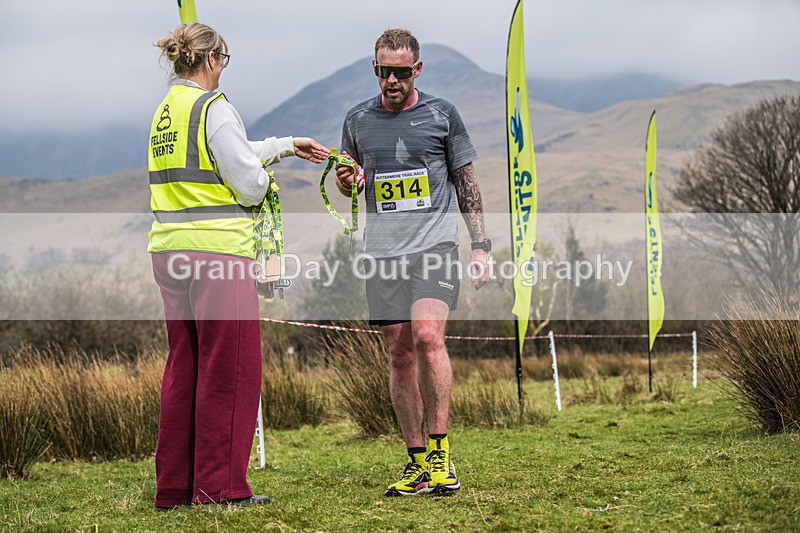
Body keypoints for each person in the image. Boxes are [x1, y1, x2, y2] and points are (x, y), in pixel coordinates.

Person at [148, 23, 328, 510]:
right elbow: (248, 184)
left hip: (169, 252)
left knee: (184, 367)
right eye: (225, 58)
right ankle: (220, 488)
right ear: (211, 59)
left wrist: (286, 144)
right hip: (218, 255)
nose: (225, 67)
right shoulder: (216, 108)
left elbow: (223, 156)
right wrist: (267, 180)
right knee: (230, 370)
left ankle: (176, 488)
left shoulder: (166, 112)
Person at [335, 28, 490, 496]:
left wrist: (480, 244)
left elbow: (467, 181)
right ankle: (417, 462)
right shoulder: (357, 120)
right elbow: (350, 183)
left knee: (426, 335)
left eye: (402, 72)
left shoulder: (443, 114)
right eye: (384, 71)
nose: (392, 80)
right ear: (375, 69)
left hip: (435, 245)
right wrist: (346, 180)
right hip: (383, 252)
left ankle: (442, 454)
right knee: (398, 353)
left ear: (417, 70)